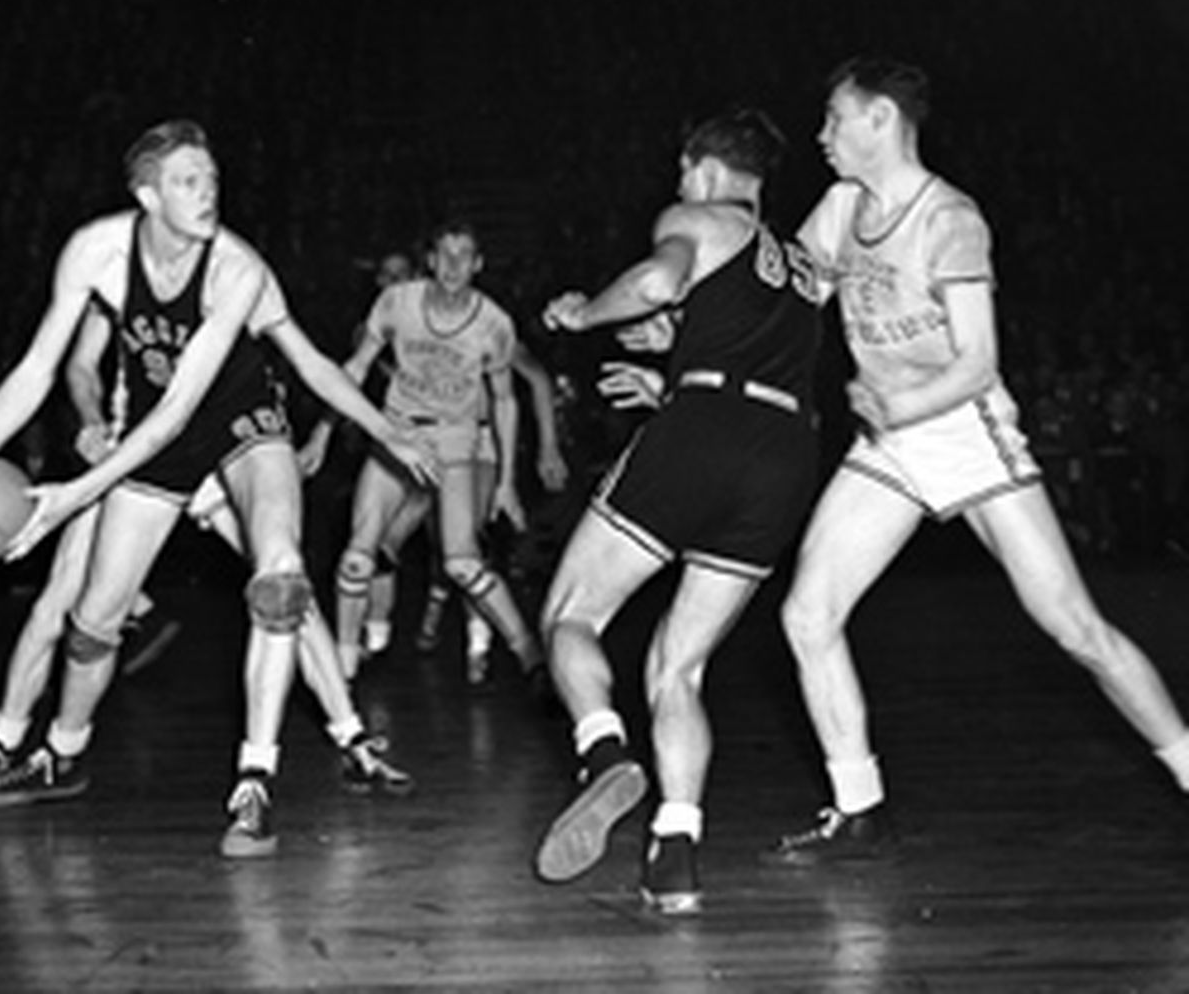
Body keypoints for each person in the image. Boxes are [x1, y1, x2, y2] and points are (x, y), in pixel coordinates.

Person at [0, 119, 436, 857]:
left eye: (214, 179)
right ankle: (63, 754)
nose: (209, 193)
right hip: (154, 436)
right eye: (189, 181)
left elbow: (267, 382)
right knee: (92, 621)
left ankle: (257, 780)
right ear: (147, 194)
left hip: (240, 424)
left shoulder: (237, 269)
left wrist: (386, 431)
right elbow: (42, 370)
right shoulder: (94, 253)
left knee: (282, 580)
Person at [766, 54, 1189, 864]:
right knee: (808, 614)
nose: (822, 136)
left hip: (965, 431)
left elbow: (979, 361)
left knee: (1076, 629)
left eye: (834, 119)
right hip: (890, 445)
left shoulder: (950, 218)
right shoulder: (839, 206)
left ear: (881, 120)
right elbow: (789, 303)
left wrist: (900, 405)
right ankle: (860, 807)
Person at [0, 304, 416, 826]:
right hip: (134, 456)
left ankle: (353, 739)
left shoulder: (225, 275)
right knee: (60, 606)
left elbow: (292, 357)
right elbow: (78, 367)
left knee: (283, 587)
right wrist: (93, 419)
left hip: (217, 449)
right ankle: (8, 743)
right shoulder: (112, 277)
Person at [533, 107, 823, 915]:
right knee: (679, 667)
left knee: (570, 614)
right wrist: (672, 371)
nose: (677, 186)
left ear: (703, 169)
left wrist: (586, 313)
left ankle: (602, 753)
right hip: (785, 455)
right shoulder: (797, 263)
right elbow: (745, 353)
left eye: (681, 173)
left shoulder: (696, 217)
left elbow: (658, 281)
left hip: (703, 432)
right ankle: (677, 850)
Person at [311, 219, 545, 690]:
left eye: (466, 255)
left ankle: (530, 656)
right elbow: (352, 372)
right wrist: (321, 434)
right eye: (446, 254)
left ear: (478, 265)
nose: (455, 264)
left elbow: (505, 399)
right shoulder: (398, 303)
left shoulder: (493, 323)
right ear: (431, 260)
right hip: (397, 436)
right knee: (358, 556)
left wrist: (506, 483)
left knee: (461, 562)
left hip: (456, 444)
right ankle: (343, 671)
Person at [360, 338, 571, 682]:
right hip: (421, 440)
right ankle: (375, 636)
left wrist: (547, 448)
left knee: (463, 550)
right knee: (382, 541)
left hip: (476, 443)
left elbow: (538, 379)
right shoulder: (395, 325)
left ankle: (487, 646)